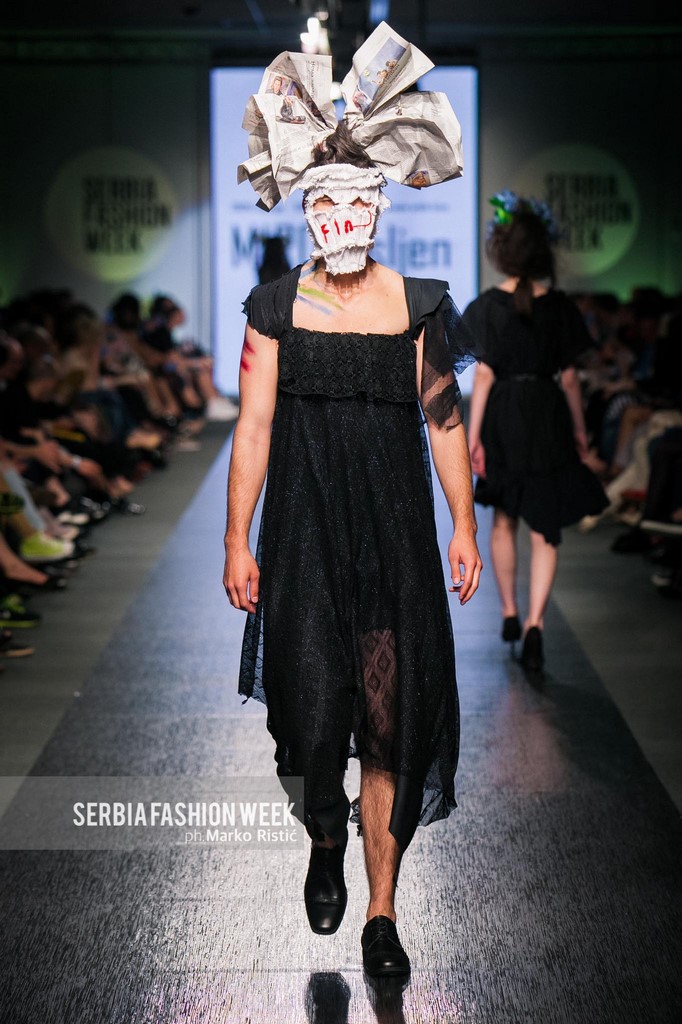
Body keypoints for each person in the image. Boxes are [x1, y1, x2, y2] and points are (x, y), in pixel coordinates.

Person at [224, 45, 481, 977]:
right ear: (307, 208)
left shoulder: (417, 309)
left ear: (378, 207)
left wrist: (463, 524)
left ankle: (381, 913)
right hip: (302, 534)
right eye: (326, 201)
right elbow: (254, 428)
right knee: (308, 717)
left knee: (386, 722)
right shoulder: (274, 309)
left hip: (393, 540)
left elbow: (444, 419)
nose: (342, 216)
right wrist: (236, 540)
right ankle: (324, 837)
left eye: (356, 201)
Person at [464, 193, 608, 671]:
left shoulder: (486, 307)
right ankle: (535, 624)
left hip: (505, 414)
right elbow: (570, 379)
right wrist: (581, 432)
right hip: (547, 415)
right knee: (546, 528)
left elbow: (484, 374)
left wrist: (473, 436)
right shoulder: (561, 308)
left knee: (504, 519)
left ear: (501, 251)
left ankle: (509, 610)